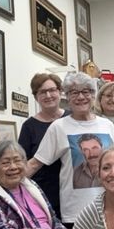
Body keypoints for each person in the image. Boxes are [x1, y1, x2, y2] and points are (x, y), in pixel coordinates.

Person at [25, 72, 114, 228]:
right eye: (74, 92)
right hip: (75, 214)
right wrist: (0, 186)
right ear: (66, 97)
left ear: (93, 95)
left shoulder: (107, 125)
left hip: (110, 209)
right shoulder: (58, 127)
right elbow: (35, 164)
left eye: (85, 91)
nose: (80, 97)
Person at [18, 73, 69, 217]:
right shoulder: (29, 127)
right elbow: (23, 163)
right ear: (36, 97)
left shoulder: (72, 118)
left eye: (52, 90)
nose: (48, 95)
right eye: (42, 92)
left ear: (60, 92)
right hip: (42, 193)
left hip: (71, 190)